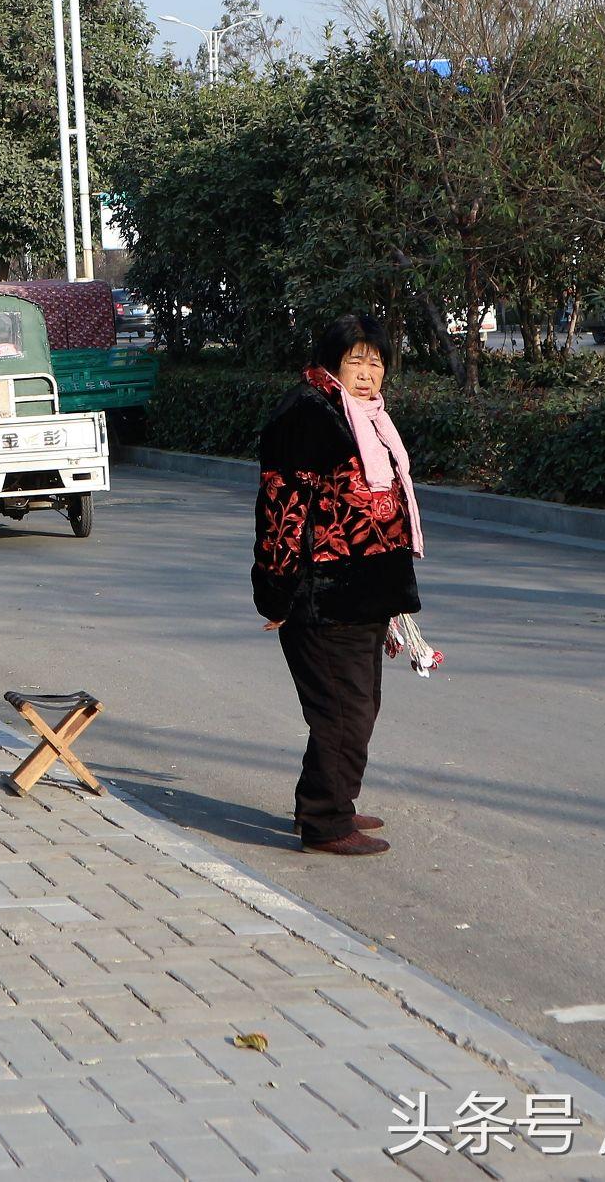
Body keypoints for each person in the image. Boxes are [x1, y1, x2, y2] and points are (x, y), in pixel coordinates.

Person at [251, 314, 424, 858]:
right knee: (342, 712)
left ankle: (329, 802)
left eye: (377, 362)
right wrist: (277, 593)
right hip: (322, 597)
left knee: (358, 705)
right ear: (332, 362)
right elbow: (284, 511)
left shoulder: (365, 417)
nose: (368, 373)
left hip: (363, 594)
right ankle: (326, 823)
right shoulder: (308, 414)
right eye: (356, 360)